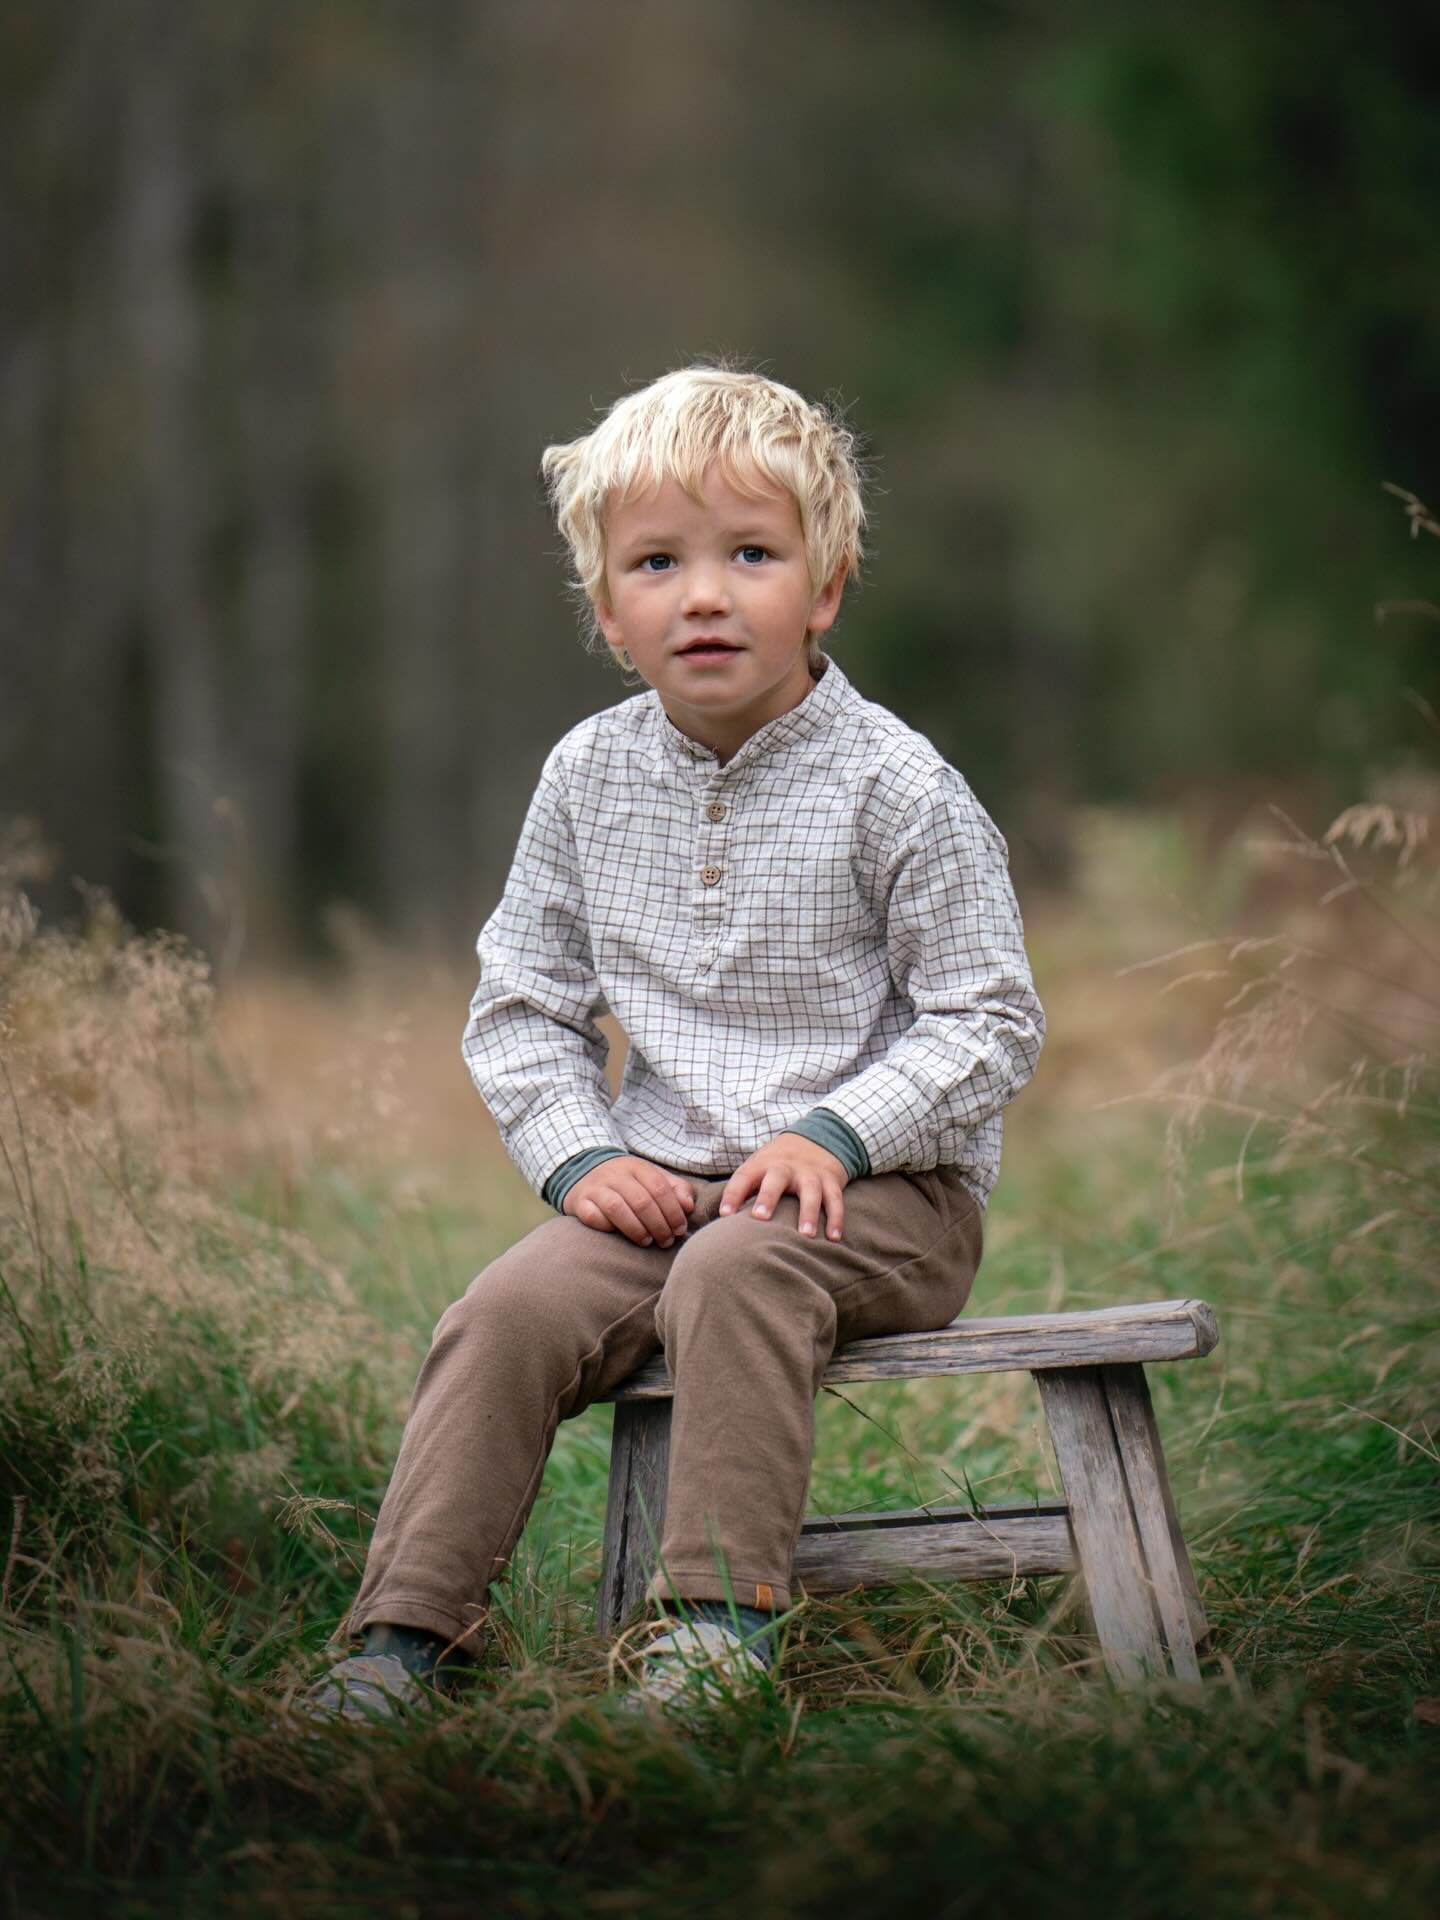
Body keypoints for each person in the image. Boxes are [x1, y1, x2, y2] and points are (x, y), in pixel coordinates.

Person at [300, 365, 1045, 1723]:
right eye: (657, 564)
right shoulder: (587, 776)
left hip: (884, 1198)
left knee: (738, 1268)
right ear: (608, 612)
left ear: (824, 589)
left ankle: (714, 1629)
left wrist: (836, 1134)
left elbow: (988, 1018)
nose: (704, 596)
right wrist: (583, 1158)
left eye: (751, 555)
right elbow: (522, 1004)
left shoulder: (897, 786)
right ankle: (403, 1640)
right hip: (662, 1192)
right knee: (504, 1312)